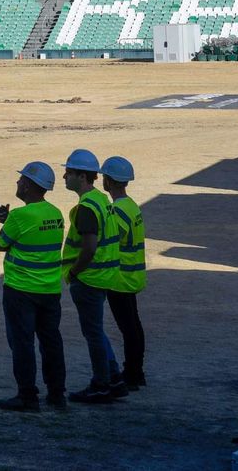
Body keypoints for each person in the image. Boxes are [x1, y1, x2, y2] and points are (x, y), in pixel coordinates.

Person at [0, 161, 67, 412]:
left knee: (22, 343)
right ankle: (57, 393)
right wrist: (10, 219)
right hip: (49, 289)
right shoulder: (56, 214)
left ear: (28, 186)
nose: (17, 183)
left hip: (20, 290)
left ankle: (27, 395)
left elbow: (2, 243)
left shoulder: (20, 216)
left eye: (21, 180)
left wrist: (7, 220)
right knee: (51, 342)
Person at [61, 148, 124, 403]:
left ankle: (101, 384)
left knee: (93, 333)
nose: (64, 177)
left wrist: (74, 272)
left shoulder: (86, 207)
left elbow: (89, 248)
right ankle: (114, 378)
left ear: (82, 177)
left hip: (89, 278)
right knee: (97, 330)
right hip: (104, 275)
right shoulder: (100, 199)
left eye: (68, 172)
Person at [102, 155, 146, 391]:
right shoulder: (131, 205)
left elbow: (109, 241)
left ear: (109, 181)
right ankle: (136, 372)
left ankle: (132, 373)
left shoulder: (117, 211)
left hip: (120, 277)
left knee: (128, 328)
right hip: (133, 274)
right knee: (134, 326)